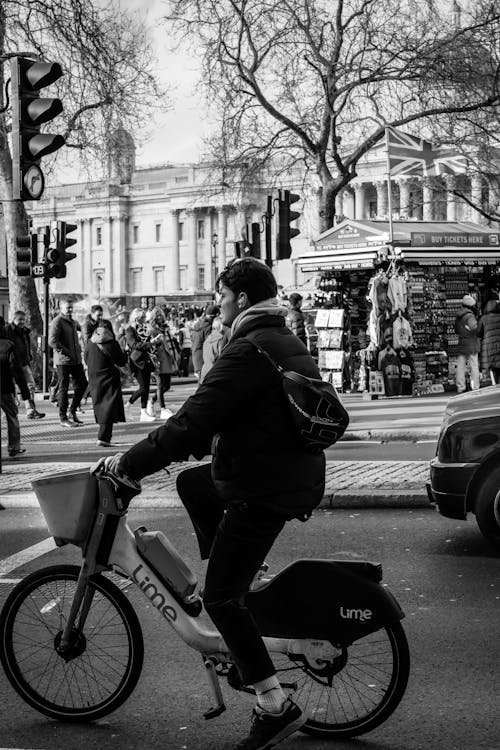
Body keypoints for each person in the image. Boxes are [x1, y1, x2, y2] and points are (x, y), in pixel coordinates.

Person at [103, 258, 325, 750]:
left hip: (265, 484)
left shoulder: (248, 350)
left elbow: (189, 424)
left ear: (241, 299)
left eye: (221, 296)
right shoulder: (280, 339)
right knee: (194, 486)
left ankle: (273, 705)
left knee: (221, 597)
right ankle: (251, 577)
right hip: (284, 471)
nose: (216, 305)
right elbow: (238, 416)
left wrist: (129, 464)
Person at [84, 325, 128, 446]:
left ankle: (103, 436)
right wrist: (125, 351)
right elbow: (121, 361)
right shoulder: (111, 343)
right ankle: (103, 438)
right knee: (109, 407)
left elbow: (86, 358)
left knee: (100, 405)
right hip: (109, 378)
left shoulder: (90, 343)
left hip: (94, 378)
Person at [48, 299, 89, 427]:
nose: (70, 310)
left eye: (71, 307)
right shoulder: (57, 321)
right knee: (63, 389)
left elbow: (83, 331)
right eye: (67, 308)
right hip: (63, 361)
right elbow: (52, 341)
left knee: (82, 385)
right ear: (61, 308)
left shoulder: (72, 321)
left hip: (75, 360)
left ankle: (72, 411)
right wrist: (66, 351)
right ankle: (63, 418)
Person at [6, 310, 45, 419]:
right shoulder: (8, 330)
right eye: (20, 320)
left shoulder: (25, 331)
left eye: (24, 320)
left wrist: (29, 356)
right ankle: (8, 412)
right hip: (11, 364)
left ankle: (31, 410)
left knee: (31, 386)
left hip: (24, 363)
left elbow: (26, 345)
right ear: (14, 319)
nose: (22, 322)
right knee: (10, 388)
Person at [0, 316, 30, 458]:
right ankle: (14, 447)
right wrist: (25, 392)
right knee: (12, 416)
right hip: (5, 387)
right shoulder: (8, 345)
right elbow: (16, 370)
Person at [147, 306, 180, 419]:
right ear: (154, 317)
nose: (160, 317)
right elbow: (150, 345)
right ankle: (163, 409)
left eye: (161, 314)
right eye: (157, 315)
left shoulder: (166, 328)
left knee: (167, 386)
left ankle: (151, 401)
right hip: (159, 358)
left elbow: (171, 342)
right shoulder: (152, 329)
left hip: (168, 357)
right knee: (160, 385)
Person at [123, 326, 156, 422]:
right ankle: (128, 405)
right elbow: (136, 345)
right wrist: (151, 343)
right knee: (143, 388)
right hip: (138, 365)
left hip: (144, 364)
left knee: (146, 389)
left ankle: (143, 412)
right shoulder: (129, 330)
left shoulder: (138, 330)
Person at [454, 294, 480, 393]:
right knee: (474, 365)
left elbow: (456, 330)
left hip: (462, 343)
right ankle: (475, 386)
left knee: (460, 366)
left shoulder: (459, 315)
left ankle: (460, 386)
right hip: (471, 343)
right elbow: (475, 328)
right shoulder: (470, 315)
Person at [191, 303, 219, 379]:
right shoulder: (208, 327)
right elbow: (210, 343)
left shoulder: (198, 325)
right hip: (205, 360)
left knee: (202, 384)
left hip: (196, 359)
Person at [477, 299, 500, 385]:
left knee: (493, 369)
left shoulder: (484, 318)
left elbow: (478, 333)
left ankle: (496, 387)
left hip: (489, 348)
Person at [199, 316, 227, 382]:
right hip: (216, 373)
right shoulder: (221, 340)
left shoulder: (207, 339)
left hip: (205, 373)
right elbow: (222, 359)